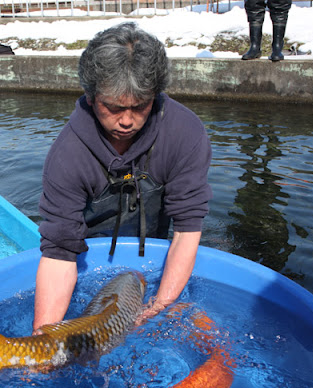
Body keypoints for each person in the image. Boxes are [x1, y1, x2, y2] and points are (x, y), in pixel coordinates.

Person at [33, 21, 212, 333]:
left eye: (140, 107)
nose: (127, 121)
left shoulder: (186, 133)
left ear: (154, 97)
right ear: (90, 98)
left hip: (150, 253)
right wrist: (43, 339)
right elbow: (60, 253)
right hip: (87, 256)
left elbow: (187, 228)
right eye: (114, 108)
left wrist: (160, 304)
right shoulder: (67, 155)